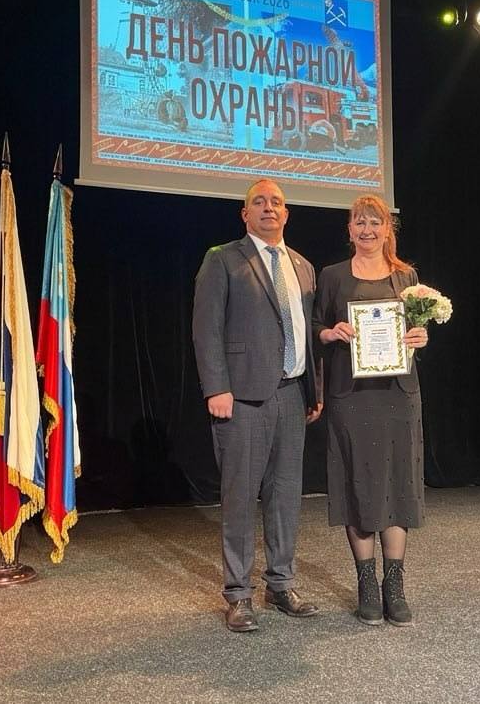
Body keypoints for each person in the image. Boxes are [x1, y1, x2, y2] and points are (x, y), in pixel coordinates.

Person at [192, 178, 323, 632]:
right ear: (244, 214)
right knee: (241, 496)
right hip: (242, 397)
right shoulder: (223, 259)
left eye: (277, 202)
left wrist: (315, 390)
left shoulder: (303, 265)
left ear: (286, 214)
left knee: (285, 495)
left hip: (292, 393)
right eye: (259, 202)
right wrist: (216, 388)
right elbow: (206, 328)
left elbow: (307, 332)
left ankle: (281, 584)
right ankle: (238, 593)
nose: (269, 208)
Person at [312, 194, 428, 626]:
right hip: (352, 395)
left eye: (375, 222)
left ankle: (394, 584)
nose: (367, 230)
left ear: (387, 229)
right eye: (359, 222)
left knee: (398, 481)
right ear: (350, 230)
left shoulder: (406, 277)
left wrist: (420, 337)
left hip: (397, 394)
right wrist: (330, 333)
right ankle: (366, 582)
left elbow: (416, 329)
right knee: (357, 482)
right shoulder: (332, 276)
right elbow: (315, 326)